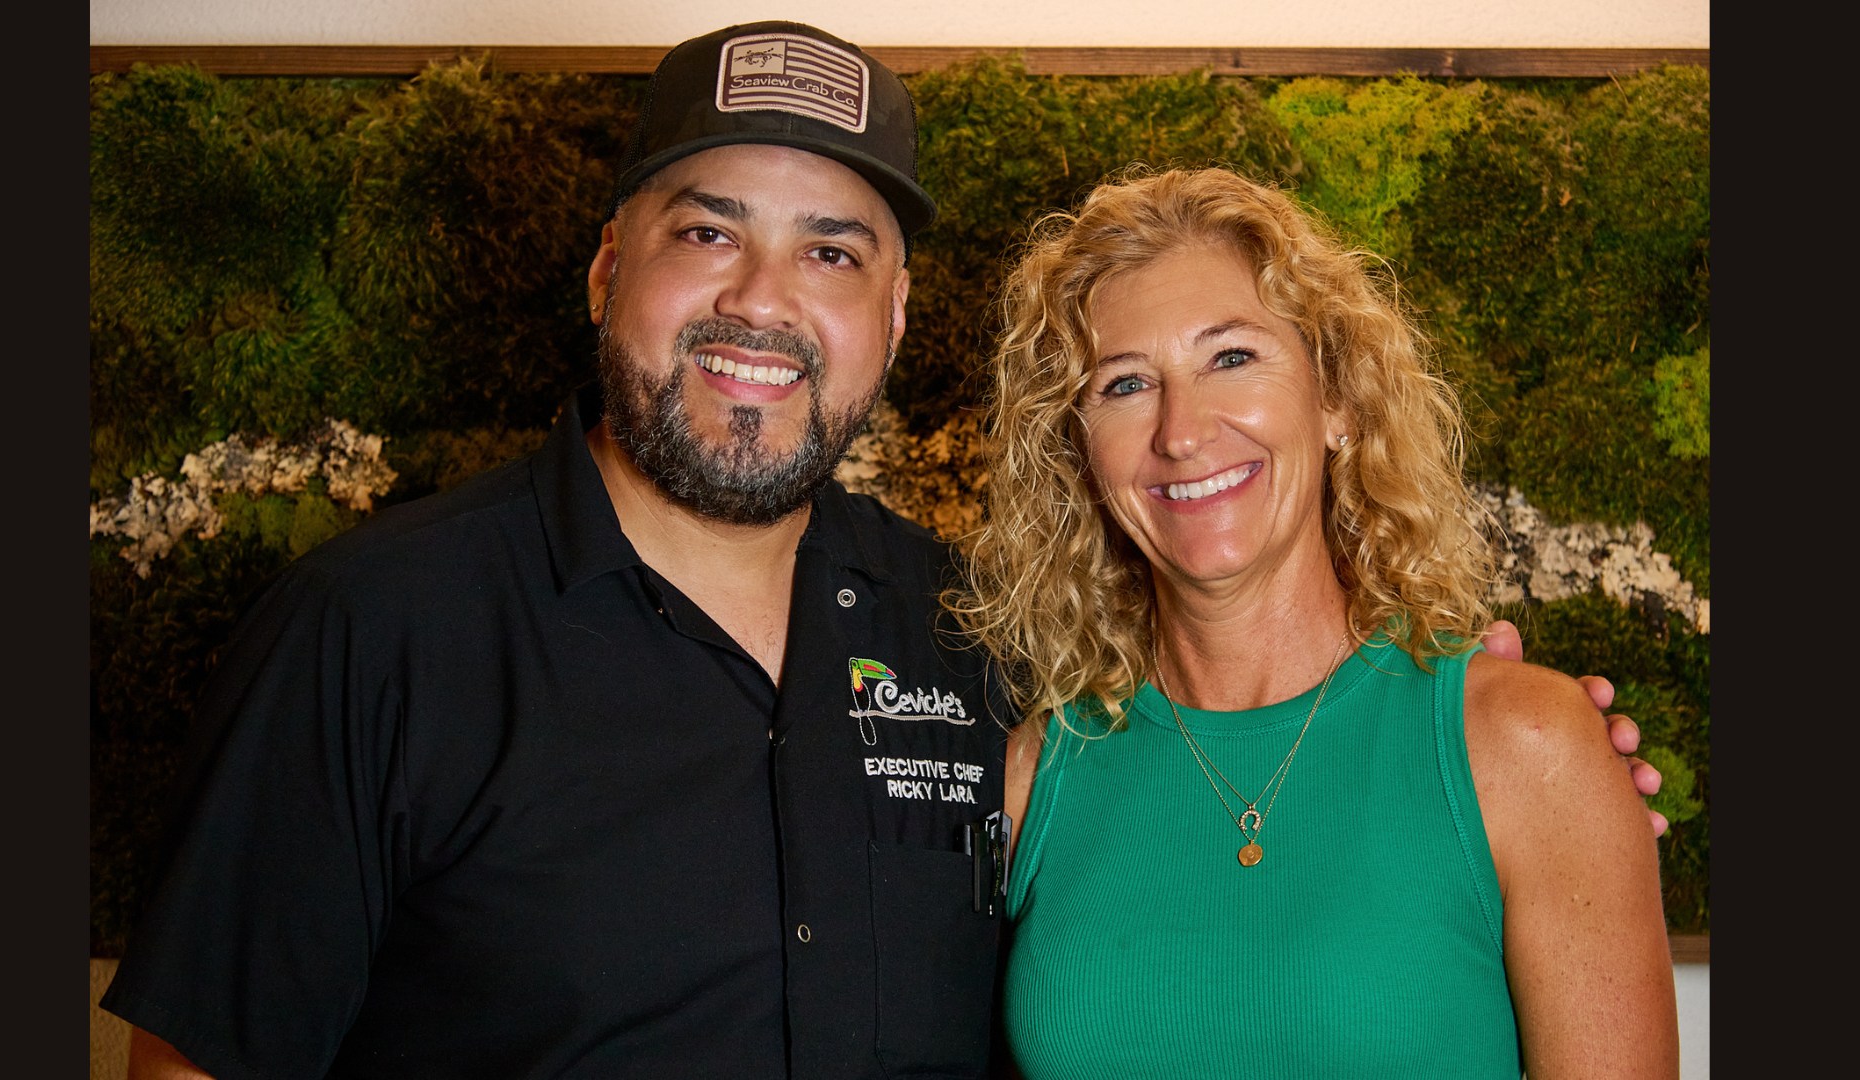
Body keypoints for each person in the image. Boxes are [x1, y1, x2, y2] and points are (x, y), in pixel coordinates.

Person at [101, 22, 1663, 1080]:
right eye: (707, 231)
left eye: (832, 250)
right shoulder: (375, 632)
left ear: (893, 318)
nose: (762, 300)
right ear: (605, 270)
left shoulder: (970, 654)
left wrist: (1532, 761)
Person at [960, 167, 1679, 1077]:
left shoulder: (1525, 744)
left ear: (1336, 400)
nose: (1182, 432)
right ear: (1079, 451)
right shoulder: (1032, 774)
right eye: (1126, 384)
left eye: (1232, 358)